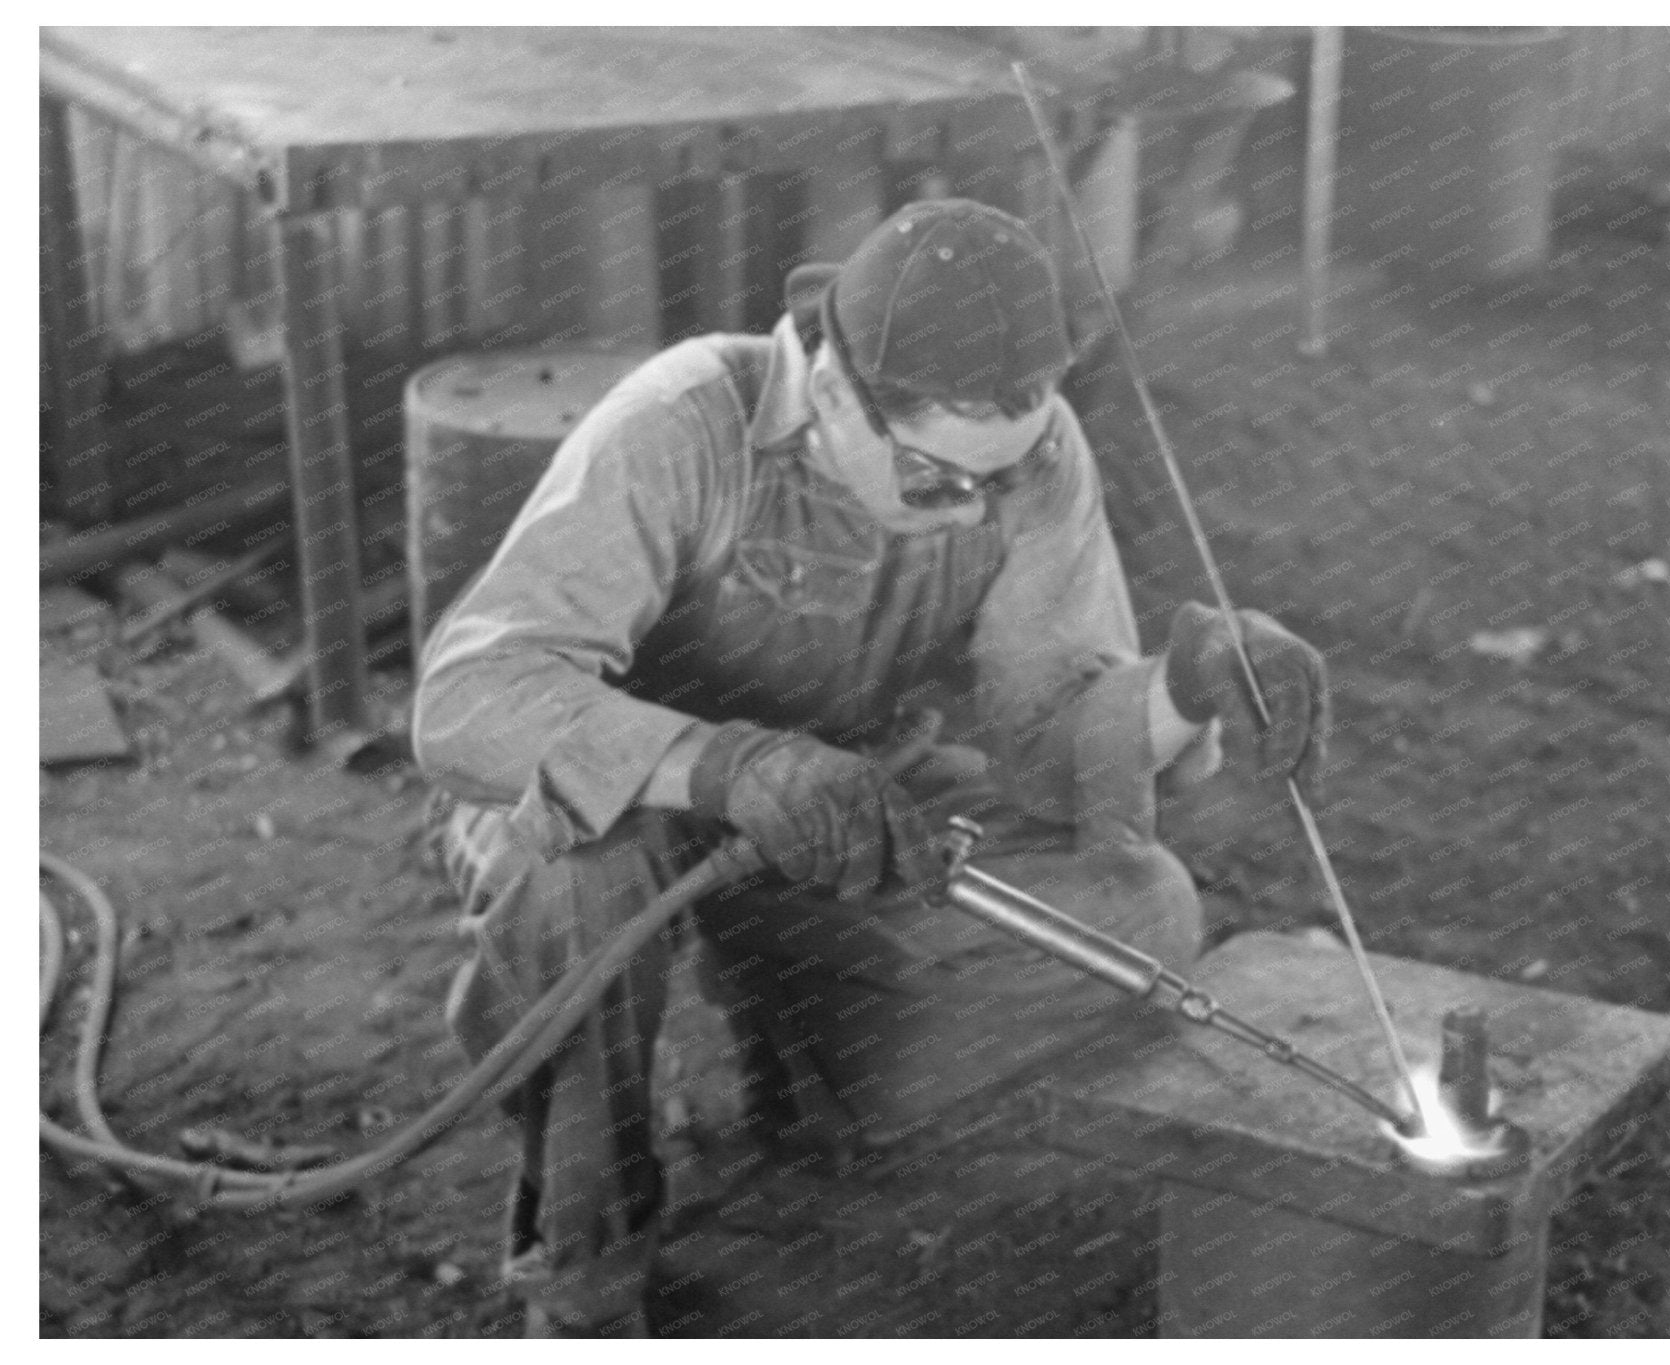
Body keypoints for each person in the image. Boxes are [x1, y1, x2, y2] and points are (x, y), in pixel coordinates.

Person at [412, 198, 1330, 1336]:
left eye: (999, 481)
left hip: (853, 790)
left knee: (1143, 908)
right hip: (629, 791)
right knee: (583, 884)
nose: (975, 513)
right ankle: (588, 1265)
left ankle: (791, 1052)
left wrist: (1178, 688)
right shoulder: (684, 417)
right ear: (834, 391)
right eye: (941, 483)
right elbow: (467, 700)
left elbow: (1046, 750)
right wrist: (725, 765)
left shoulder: (1029, 455)